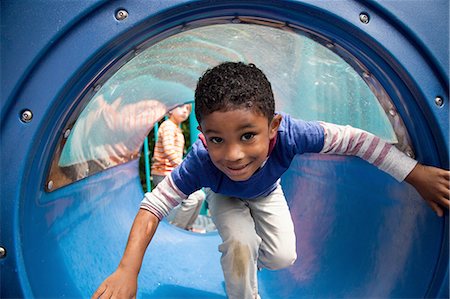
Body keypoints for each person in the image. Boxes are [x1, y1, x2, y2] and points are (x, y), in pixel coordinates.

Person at [92, 62, 449, 299]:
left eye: (248, 135)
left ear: (273, 126)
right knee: (242, 242)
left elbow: (356, 140)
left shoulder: (294, 134)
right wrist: (127, 270)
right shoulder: (201, 160)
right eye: (217, 139)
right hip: (224, 197)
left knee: (282, 257)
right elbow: (153, 205)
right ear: (202, 135)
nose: (232, 155)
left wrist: (414, 174)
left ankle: (239, 259)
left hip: (267, 191)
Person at [150, 103, 205, 231]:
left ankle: (187, 227)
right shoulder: (168, 126)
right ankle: (177, 229)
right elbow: (168, 150)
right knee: (192, 199)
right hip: (163, 172)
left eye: (187, 109)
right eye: (181, 107)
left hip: (171, 171)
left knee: (200, 196)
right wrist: (182, 166)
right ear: (170, 109)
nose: (185, 111)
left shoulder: (177, 129)